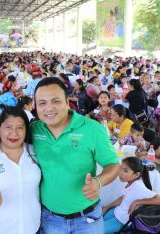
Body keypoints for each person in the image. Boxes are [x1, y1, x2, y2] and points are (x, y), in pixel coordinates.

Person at [30, 77, 120, 233]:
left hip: (87, 218)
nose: (49, 108)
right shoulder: (33, 130)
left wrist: (98, 182)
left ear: (67, 102)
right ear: (35, 106)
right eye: (42, 103)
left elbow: (113, 165)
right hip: (50, 218)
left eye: (56, 101)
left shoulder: (92, 129)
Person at [102, 157, 160, 234]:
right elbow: (123, 198)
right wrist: (107, 207)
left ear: (136, 175)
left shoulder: (138, 186)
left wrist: (136, 202)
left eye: (125, 171)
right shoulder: (130, 184)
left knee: (95, 230)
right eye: (121, 168)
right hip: (117, 212)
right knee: (97, 221)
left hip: (122, 221)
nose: (120, 173)